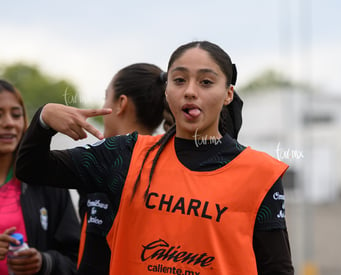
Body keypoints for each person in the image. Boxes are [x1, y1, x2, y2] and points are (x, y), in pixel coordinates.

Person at [16, 40, 294, 274]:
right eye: (179, 80)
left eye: (206, 82)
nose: (190, 91)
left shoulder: (260, 174)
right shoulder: (125, 155)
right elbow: (31, 168)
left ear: (228, 94)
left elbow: (277, 270)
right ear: (167, 91)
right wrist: (43, 120)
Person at [76, 63, 167, 275]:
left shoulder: (98, 163)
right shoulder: (172, 166)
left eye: (106, 97)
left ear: (121, 104)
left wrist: (45, 119)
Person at [0, 79, 80, 275]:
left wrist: (44, 262)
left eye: (16, 115)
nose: (9, 123)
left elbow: (76, 258)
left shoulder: (47, 180)